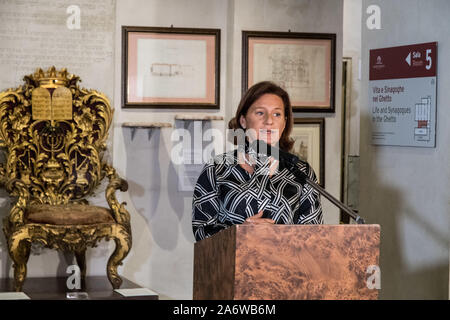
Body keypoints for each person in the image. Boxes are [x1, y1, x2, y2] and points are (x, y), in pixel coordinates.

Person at [192, 81, 323, 241]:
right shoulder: (217, 169)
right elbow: (202, 230)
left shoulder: (301, 171)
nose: (269, 121)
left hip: (286, 265)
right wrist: (241, 234)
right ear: (243, 121)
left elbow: (314, 237)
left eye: (277, 114)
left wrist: (278, 235)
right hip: (230, 264)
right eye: (260, 113)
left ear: (284, 123)